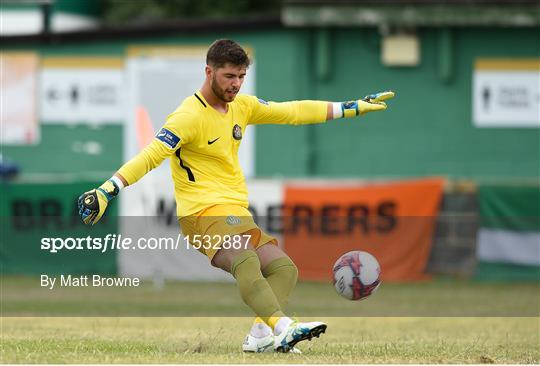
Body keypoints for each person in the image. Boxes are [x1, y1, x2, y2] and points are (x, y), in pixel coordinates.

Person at [78, 39, 394, 353]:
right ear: (209, 71)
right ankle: (283, 328)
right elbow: (150, 156)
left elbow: (293, 111)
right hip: (201, 214)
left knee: (285, 270)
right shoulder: (188, 116)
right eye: (229, 76)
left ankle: (259, 337)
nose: (236, 84)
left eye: (241, 76)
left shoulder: (240, 106)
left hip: (234, 211)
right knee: (245, 258)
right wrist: (108, 189)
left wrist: (350, 107)